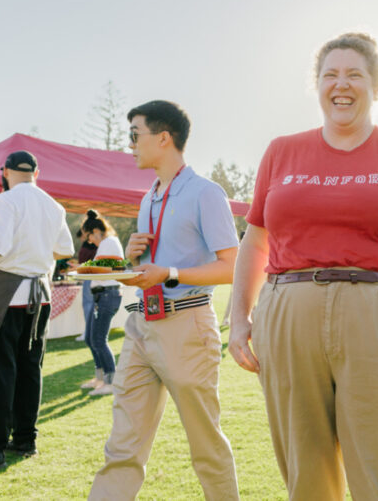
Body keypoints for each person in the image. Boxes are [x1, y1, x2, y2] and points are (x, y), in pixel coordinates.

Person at [227, 33, 378, 500]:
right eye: (330, 75)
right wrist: (238, 317)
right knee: (305, 467)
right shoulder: (281, 151)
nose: (342, 84)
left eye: (355, 74)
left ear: (376, 87)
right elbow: (254, 243)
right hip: (288, 311)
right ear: (316, 86)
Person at [89, 100, 240, 501]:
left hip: (187, 327)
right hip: (141, 324)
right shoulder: (148, 198)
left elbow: (233, 268)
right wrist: (134, 258)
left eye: (134, 135)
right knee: (122, 444)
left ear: (163, 137)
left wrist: (170, 273)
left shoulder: (206, 193)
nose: (130, 145)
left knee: (205, 445)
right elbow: (148, 272)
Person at [0, 151, 74, 472]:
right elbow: (66, 250)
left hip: (5, 296)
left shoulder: (5, 201)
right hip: (39, 297)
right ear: (38, 171)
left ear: (4, 171)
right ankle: (23, 437)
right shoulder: (53, 204)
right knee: (29, 368)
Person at [78, 209, 124, 397]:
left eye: (89, 237)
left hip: (107, 294)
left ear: (96, 231)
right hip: (102, 295)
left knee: (98, 339)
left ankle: (111, 381)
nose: (90, 241)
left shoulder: (109, 243)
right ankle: (100, 378)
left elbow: (103, 269)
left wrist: (81, 270)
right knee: (91, 338)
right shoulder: (106, 244)